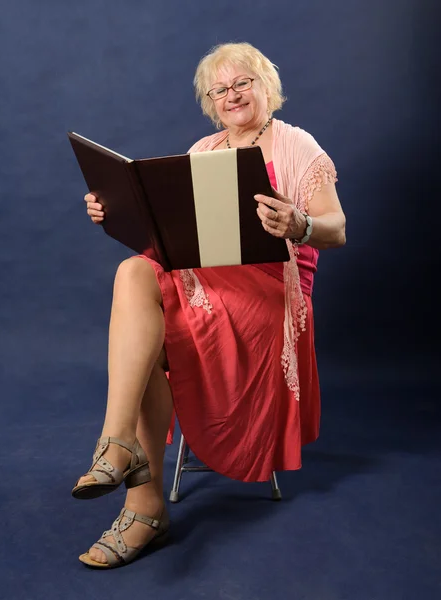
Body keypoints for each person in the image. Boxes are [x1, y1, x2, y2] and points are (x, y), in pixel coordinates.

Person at [74, 42, 346, 569]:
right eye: (219, 90)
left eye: (242, 82)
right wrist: (113, 212)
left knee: (153, 335)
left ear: (267, 85)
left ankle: (141, 501)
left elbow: (337, 228)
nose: (232, 95)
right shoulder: (203, 150)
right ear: (209, 102)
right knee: (133, 269)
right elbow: (170, 244)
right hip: (201, 277)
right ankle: (118, 442)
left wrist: (300, 225)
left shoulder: (298, 146)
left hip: (269, 291)